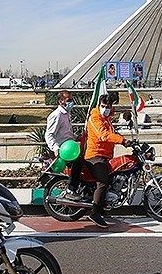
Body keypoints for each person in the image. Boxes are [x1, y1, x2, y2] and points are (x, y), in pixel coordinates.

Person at [84, 94, 132, 228]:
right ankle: (95, 213)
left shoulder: (107, 118)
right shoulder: (95, 118)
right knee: (103, 182)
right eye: (103, 106)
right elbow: (103, 135)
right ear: (98, 105)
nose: (105, 109)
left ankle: (103, 205)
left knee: (112, 177)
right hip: (94, 156)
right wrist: (123, 140)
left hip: (105, 156)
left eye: (108, 107)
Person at [44, 90, 83, 199]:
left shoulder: (66, 114)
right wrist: (56, 148)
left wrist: (76, 137)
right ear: (61, 101)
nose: (71, 102)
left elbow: (65, 133)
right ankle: (71, 190)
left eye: (71, 100)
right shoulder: (56, 115)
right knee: (78, 162)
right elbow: (49, 134)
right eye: (68, 100)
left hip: (68, 148)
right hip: (60, 151)